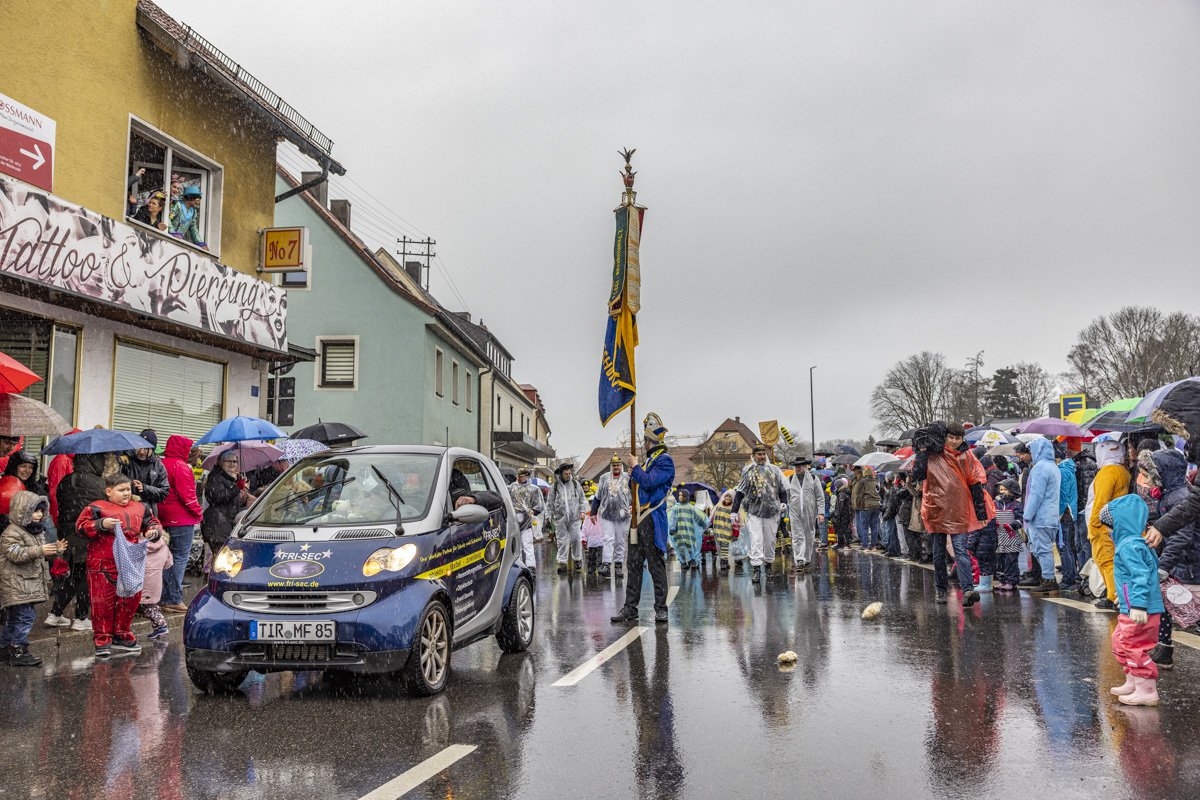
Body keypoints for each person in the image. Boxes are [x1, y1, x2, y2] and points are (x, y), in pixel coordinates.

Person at [77, 472, 163, 659]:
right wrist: (100, 524)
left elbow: (153, 523)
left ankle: (122, 634)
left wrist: (153, 532)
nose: (126, 493)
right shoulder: (96, 507)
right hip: (102, 563)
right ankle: (103, 638)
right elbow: (80, 527)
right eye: (121, 490)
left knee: (130, 600)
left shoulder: (141, 507)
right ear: (108, 491)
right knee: (102, 603)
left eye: (128, 489)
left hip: (131, 563)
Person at [912, 422, 987, 607]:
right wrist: (922, 451)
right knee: (939, 553)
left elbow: (975, 483)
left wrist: (981, 511)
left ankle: (968, 589)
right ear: (945, 437)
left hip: (958, 510)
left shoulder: (966, 456)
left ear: (962, 439)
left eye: (957, 438)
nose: (953, 441)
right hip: (936, 508)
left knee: (960, 551)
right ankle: (941, 589)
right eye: (951, 437)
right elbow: (918, 474)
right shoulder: (933, 454)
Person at [612, 413, 675, 625]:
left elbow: (648, 482)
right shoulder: (650, 462)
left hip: (652, 519)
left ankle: (661, 609)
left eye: (645, 440)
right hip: (638, 519)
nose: (644, 444)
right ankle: (630, 608)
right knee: (633, 564)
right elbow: (640, 487)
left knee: (656, 565)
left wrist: (636, 468)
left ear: (649, 441)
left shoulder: (665, 461)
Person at [1103, 495, 1163, 706]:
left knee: (1133, 644)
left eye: (1109, 525)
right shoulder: (1132, 543)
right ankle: (1134, 680)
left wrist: (1137, 604)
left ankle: (1146, 689)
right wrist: (1125, 598)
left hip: (1140, 608)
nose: (1107, 530)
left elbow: (1140, 576)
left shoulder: (1130, 546)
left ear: (1121, 522)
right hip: (1132, 606)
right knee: (1120, 640)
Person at [1147, 448, 1196, 671]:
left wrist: (1164, 566)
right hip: (1182, 562)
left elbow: (1183, 535)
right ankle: (1164, 648)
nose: (1146, 480)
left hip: (1190, 563)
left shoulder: (1179, 497)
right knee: (1166, 603)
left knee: (1185, 605)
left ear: (1162, 474)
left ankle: (1164, 648)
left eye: (1149, 474)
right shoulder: (1169, 495)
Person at [0, 491, 63, 666]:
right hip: (17, 584)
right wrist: (40, 550)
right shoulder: (12, 532)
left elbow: (40, 555)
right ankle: (18, 649)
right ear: (22, 512)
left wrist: (54, 551)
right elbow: (15, 553)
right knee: (24, 617)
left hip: (26, 583)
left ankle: (5, 649)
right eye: (35, 511)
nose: (39, 515)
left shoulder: (35, 531)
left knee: (14, 619)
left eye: (41, 511)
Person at [52, 452, 108, 631]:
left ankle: (55, 613)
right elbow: (105, 508)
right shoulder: (99, 483)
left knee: (75, 576)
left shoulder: (66, 480)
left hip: (67, 534)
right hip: (87, 534)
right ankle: (81, 617)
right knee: (86, 576)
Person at [157, 435, 202, 614]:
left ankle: (162, 597)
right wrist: (198, 512)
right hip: (181, 519)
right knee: (179, 558)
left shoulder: (161, 463)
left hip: (163, 517)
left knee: (164, 558)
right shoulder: (181, 467)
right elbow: (188, 496)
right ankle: (173, 599)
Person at [732, 444, 789, 583]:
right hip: (754, 511)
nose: (762, 457)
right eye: (759, 454)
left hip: (771, 511)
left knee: (770, 541)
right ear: (753, 456)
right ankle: (757, 569)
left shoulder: (774, 470)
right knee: (756, 540)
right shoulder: (747, 471)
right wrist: (734, 510)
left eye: (764, 454)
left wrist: (784, 503)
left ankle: (768, 566)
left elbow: (782, 489)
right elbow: (740, 491)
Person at [1087, 434, 1131, 610]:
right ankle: (1116, 595)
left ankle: (1114, 597)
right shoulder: (1123, 472)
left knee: (1106, 561)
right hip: (1117, 524)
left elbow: (1100, 502)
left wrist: (1094, 525)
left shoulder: (1107, 473)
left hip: (1104, 527)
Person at [1018, 438, 1062, 596]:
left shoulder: (1040, 468)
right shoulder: (1054, 467)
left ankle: (1048, 581)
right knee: (1044, 550)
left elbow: (1035, 495)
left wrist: (1027, 516)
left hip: (1040, 517)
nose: (1031, 452)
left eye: (1032, 449)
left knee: (1042, 550)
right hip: (1051, 516)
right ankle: (1049, 579)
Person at [202, 451, 248, 563]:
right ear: (220, 462)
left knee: (223, 560)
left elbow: (231, 501)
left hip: (226, 523)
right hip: (217, 524)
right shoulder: (216, 477)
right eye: (229, 461)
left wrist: (242, 492)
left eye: (235, 461)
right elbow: (218, 498)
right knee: (220, 560)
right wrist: (236, 488)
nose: (232, 464)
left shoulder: (230, 477)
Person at [590, 456, 632, 578]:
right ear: (611, 466)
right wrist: (593, 512)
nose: (616, 467)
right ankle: (606, 565)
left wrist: (632, 505)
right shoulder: (604, 478)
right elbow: (597, 496)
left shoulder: (627, 477)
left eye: (618, 465)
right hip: (607, 514)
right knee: (608, 539)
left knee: (620, 540)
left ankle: (618, 566)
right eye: (614, 465)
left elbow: (634, 494)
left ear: (621, 466)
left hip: (622, 515)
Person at [546, 463, 586, 574]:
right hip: (560, 518)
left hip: (574, 517)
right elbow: (549, 503)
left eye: (569, 473)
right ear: (561, 474)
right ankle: (562, 562)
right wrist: (548, 516)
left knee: (576, 538)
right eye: (565, 474)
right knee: (562, 541)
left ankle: (577, 559)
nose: (568, 475)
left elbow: (582, 499)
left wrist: (582, 511)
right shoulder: (554, 487)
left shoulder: (575, 484)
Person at [787, 457, 823, 572]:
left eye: (800, 466)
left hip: (810, 511)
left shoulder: (813, 478)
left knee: (809, 535)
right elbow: (786, 495)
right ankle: (799, 560)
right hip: (795, 511)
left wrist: (821, 513)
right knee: (797, 536)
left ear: (805, 466)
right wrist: (782, 507)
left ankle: (807, 559)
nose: (797, 468)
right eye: (796, 466)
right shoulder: (790, 479)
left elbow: (820, 496)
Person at [139, 528, 173, 641]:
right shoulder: (164, 546)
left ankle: (161, 625)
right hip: (155, 582)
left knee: (149, 607)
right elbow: (169, 563)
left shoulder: (138, 544)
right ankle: (158, 626)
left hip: (140, 580)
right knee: (151, 604)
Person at [124, 429, 168, 515]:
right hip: (127, 512)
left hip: (148, 514)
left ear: (153, 449)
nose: (142, 451)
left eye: (146, 448)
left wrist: (145, 489)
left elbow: (164, 492)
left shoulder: (159, 467)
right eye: (139, 446)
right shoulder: (126, 461)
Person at [508, 468, 545, 570]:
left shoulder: (534, 489)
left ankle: (531, 567)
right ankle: (519, 566)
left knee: (527, 544)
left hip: (526, 520)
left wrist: (533, 511)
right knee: (517, 545)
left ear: (526, 476)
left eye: (521, 477)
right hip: (514, 519)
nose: (518, 479)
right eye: (518, 476)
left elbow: (539, 505)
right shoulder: (512, 487)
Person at [1056, 442, 1081, 592]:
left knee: (1063, 546)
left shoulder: (1063, 471)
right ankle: (1070, 575)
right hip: (1068, 513)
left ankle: (1068, 578)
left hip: (1064, 514)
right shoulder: (1068, 469)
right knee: (1067, 546)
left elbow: (1063, 495)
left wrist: (1058, 514)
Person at [993, 479, 1025, 590]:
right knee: (999, 560)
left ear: (1012, 491)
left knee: (1011, 560)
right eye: (1001, 489)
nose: (1002, 492)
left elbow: (1021, 519)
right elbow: (991, 516)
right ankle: (1002, 580)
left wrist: (1013, 525)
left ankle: (1011, 581)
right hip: (999, 536)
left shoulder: (1017, 505)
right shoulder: (994, 503)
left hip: (1011, 537)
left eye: (1005, 490)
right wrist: (993, 522)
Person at [668, 488, 708, 571]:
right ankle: (683, 562)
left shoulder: (690, 508)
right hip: (679, 531)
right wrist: (672, 528)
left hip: (689, 531)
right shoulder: (676, 508)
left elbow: (697, 517)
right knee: (680, 547)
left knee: (690, 546)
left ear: (686, 497)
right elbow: (673, 519)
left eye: (682, 495)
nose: (680, 497)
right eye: (679, 495)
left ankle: (692, 560)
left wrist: (703, 524)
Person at [850, 465, 883, 550]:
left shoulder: (863, 481)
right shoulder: (877, 480)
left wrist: (857, 505)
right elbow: (881, 492)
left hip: (866, 506)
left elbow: (859, 495)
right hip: (876, 505)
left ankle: (865, 546)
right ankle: (873, 545)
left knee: (864, 526)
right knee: (874, 526)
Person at [709, 491, 737, 572]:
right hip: (718, 530)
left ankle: (723, 562)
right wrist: (710, 524)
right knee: (719, 547)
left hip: (727, 531)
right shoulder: (718, 506)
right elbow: (713, 516)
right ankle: (725, 560)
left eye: (729, 496)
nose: (727, 498)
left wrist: (735, 533)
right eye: (726, 496)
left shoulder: (733, 508)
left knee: (725, 546)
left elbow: (736, 522)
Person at [905, 475, 928, 562]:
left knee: (922, 537)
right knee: (917, 537)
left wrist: (908, 483)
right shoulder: (919, 492)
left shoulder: (922, 493)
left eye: (919, 484)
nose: (917, 486)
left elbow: (915, 493)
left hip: (920, 518)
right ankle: (917, 554)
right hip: (916, 518)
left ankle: (923, 555)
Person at [831, 477, 853, 551]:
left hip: (843, 515)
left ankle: (846, 543)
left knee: (843, 530)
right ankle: (841, 543)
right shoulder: (844, 492)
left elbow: (840, 506)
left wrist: (837, 515)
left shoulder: (842, 494)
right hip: (845, 514)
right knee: (842, 529)